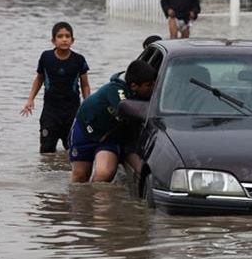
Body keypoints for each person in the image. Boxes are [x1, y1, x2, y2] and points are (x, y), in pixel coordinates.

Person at [68, 60, 157, 183]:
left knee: (104, 174)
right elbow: (125, 106)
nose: (153, 88)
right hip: (85, 130)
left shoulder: (144, 94)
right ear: (134, 86)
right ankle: (83, 200)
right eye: (149, 85)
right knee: (80, 177)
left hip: (110, 138)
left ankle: (97, 200)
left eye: (154, 84)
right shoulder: (116, 90)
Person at [20, 22, 91, 153]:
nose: (64, 39)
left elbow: (85, 85)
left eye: (67, 36)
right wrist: (30, 99)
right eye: (60, 36)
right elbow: (39, 78)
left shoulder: (79, 60)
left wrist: (88, 105)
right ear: (53, 40)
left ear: (72, 40)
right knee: (46, 152)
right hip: (50, 113)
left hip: (72, 112)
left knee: (73, 151)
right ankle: (49, 173)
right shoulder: (46, 57)